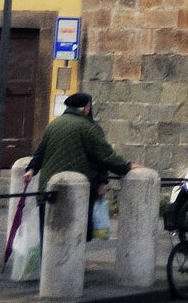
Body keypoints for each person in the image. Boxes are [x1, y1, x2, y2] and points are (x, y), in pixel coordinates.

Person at [27, 91, 132, 232]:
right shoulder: (88, 127)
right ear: (86, 108)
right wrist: (127, 167)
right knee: (72, 237)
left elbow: (40, 153)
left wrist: (31, 170)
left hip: (48, 191)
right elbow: (105, 156)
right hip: (74, 193)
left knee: (47, 239)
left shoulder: (53, 125)